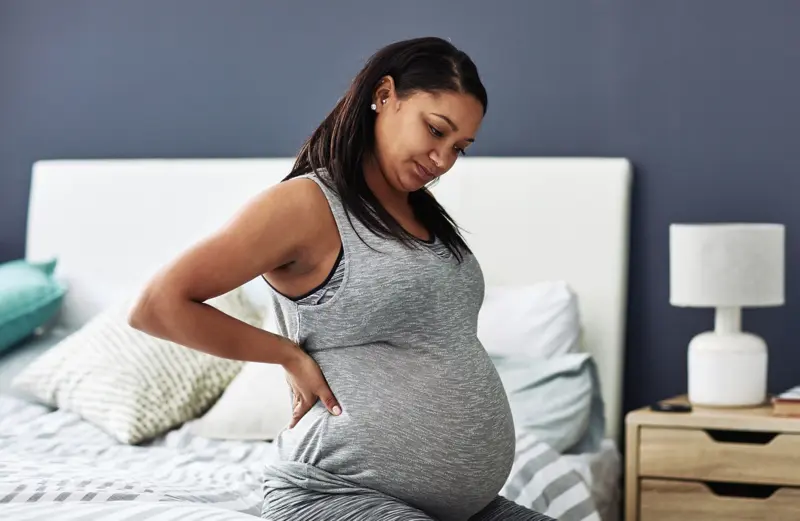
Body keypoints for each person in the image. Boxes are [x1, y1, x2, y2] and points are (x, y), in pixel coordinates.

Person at [128, 36, 553, 521]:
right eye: (435, 130)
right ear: (384, 94)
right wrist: (286, 354)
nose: (443, 160)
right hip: (336, 494)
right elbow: (159, 305)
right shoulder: (305, 205)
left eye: (460, 148)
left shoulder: (421, 215)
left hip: (470, 509)